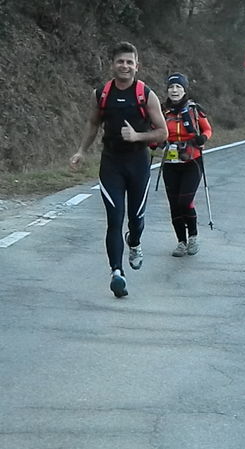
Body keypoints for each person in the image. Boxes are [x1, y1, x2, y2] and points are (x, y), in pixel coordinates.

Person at [69, 41, 168, 298]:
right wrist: (81, 150)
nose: (124, 66)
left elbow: (163, 132)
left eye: (129, 62)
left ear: (137, 65)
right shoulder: (101, 94)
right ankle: (117, 273)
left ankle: (134, 242)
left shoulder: (145, 94)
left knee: (135, 220)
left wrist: (136, 137)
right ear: (112, 64)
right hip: (111, 163)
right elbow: (92, 123)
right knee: (114, 219)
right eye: (120, 61)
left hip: (138, 163)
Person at [160, 73, 212, 257]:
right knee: (174, 204)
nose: (174, 91)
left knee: (185, 201)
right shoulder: (161, 111)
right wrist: (156, 141)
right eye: (171, 87)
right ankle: (181, 242)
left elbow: (207, 129)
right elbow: (155, 131)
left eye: (178, 87)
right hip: (170, 162)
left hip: (192, 160)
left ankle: (193, 237)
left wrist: (202, 138)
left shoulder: (193, 110)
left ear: (184, 90)